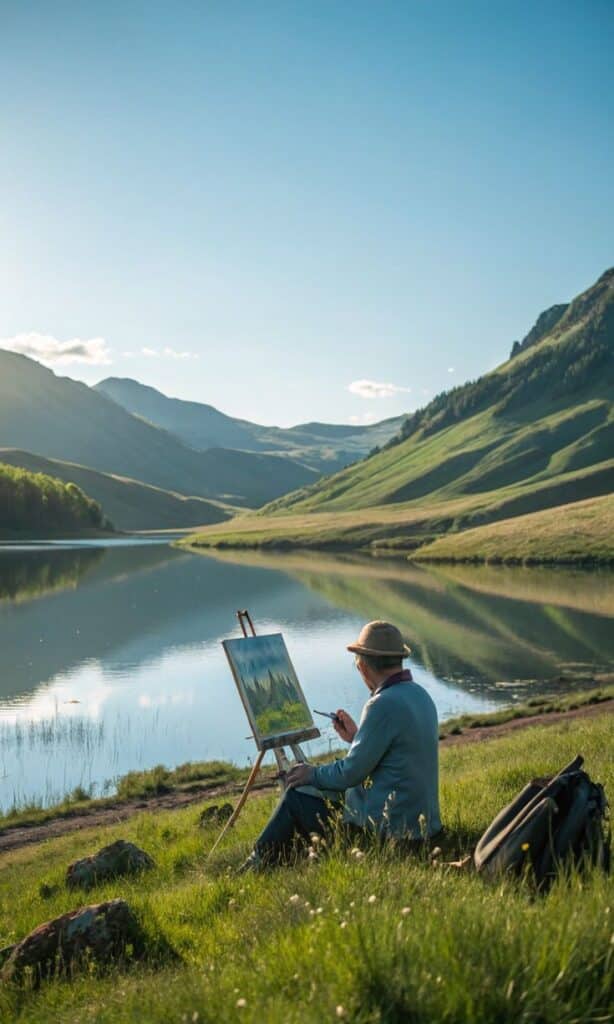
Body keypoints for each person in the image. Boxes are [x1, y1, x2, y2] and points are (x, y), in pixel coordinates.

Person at [239, 620, 441, 870]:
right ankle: (283, 864)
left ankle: (254, 867)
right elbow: (391, 759)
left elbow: (350, 774)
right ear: (399, 659)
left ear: (363, 665)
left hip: (392, 834)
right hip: (425, 828)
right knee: (318, 793)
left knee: (296, 799)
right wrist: (356, 738)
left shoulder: (382, 704)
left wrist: (311, 773)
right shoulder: (419, 695)